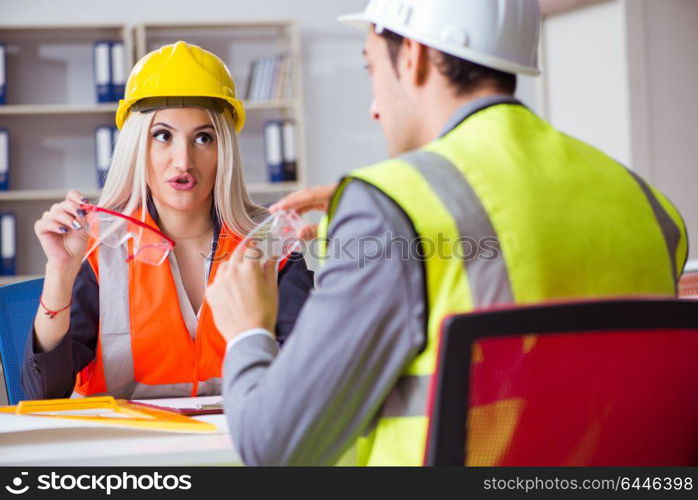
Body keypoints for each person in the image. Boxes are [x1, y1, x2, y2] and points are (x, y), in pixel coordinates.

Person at [205, 0, 689, 466]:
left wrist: (247, 330)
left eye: (371, 67)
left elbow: (274, 446)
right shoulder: (649, 205)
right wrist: (363, 220)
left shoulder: (393, 203)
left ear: (412, 56)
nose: (375, 108)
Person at [21, 41, 314, 400]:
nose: (183, 161)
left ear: (224, 149)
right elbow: (42, 396)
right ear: (136, 147)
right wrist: (60, 273)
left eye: (203, 138)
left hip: (237, 445)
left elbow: (308, 374)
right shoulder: (97, 246)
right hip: (124, 451)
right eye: (163, 136)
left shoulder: (272, 244)